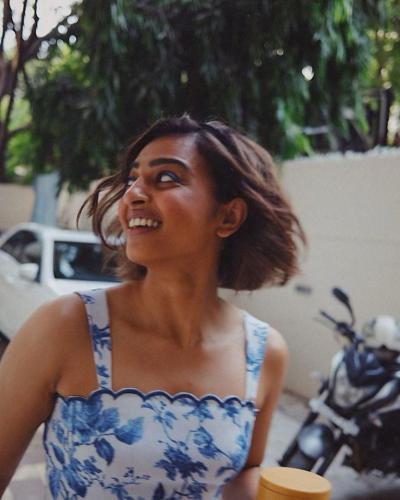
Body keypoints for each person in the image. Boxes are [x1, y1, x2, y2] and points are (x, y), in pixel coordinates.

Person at [0, 115, 306, 499]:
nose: (132, 195)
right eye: (132, 179)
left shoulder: (264, 353)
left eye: (166, 178)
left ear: (228, 216)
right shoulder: (65, 326)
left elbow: (243, 472)